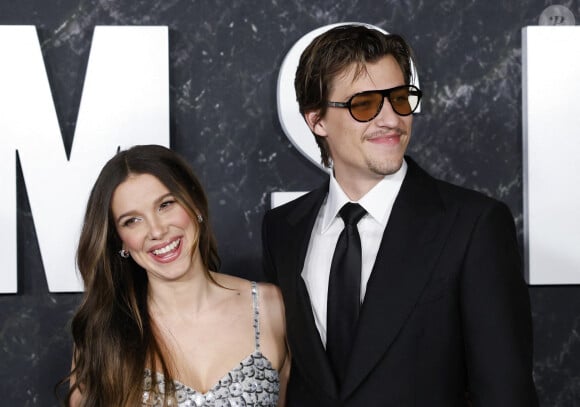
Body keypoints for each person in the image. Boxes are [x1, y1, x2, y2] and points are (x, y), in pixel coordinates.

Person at [262, 24, 538, 406]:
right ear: (316, 119)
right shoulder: (283, 229)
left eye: (400, 99)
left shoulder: (473, 225)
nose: (391, 119)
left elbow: (506, 394)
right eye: (364, 104)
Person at [64, 144, 289, 406]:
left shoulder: (271, 306)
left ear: (194, 203)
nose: (157, 230)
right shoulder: (103, 334)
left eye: (166, 205)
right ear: (120, 241)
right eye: (132, 221)